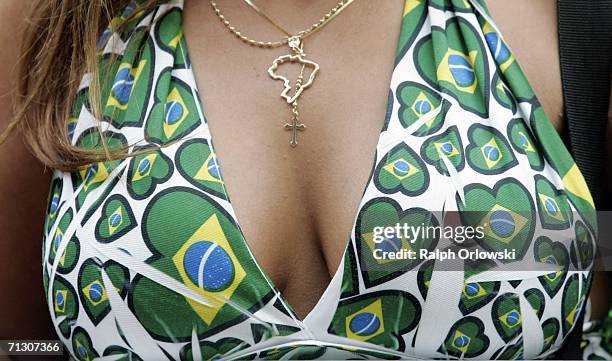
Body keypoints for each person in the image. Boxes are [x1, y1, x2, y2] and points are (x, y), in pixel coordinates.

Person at [0, 0, 609, 359]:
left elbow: (596, 264)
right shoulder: (60, 21)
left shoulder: (556, 18)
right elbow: (21, 345)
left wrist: (429, 246)